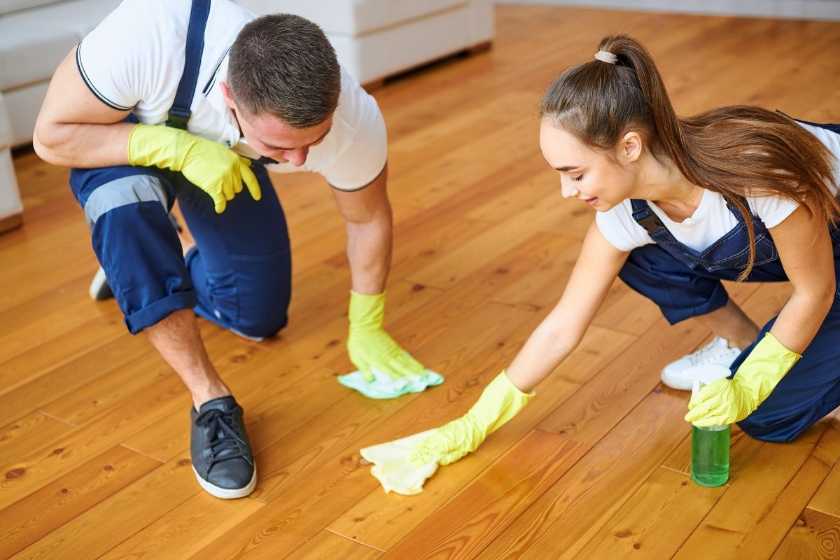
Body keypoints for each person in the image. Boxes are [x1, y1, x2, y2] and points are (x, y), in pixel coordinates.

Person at [361, 34, 840, 495]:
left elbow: (814, 291)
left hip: (824, 254)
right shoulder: (627, 211)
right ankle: (743, 346)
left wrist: (753, 383)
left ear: (629, 147)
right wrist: (472, 423)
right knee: (643, 258)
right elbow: (562, 326)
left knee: (765, 415)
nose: (568, 192)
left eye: (576, 173)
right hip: (813, 249)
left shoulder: (755, 171)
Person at [33, 0, 441, 500]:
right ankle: (210, 400)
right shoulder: (148, 36)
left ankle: (167, 250)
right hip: (126, 145)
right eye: (280, 146)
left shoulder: (354, 121)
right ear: (229, 98)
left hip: (226, 162)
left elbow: (367, 217)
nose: (298, 160)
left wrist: (367, 321)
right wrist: (178, 148)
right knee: (124, 206)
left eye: (313, 141)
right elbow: (52, 138)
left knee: (254, 317)